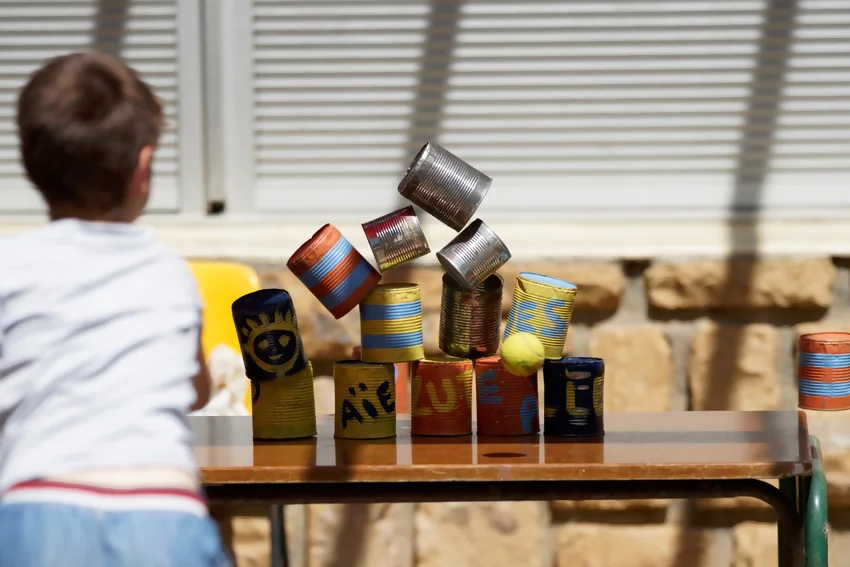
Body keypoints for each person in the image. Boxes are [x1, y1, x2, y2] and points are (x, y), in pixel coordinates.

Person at [0, 51, 231, 566]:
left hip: (38, 512)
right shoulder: (168, 273)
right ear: (143, 170)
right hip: (163, 517)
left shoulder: (9, 268)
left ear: (32, 167)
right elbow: (195, 390)